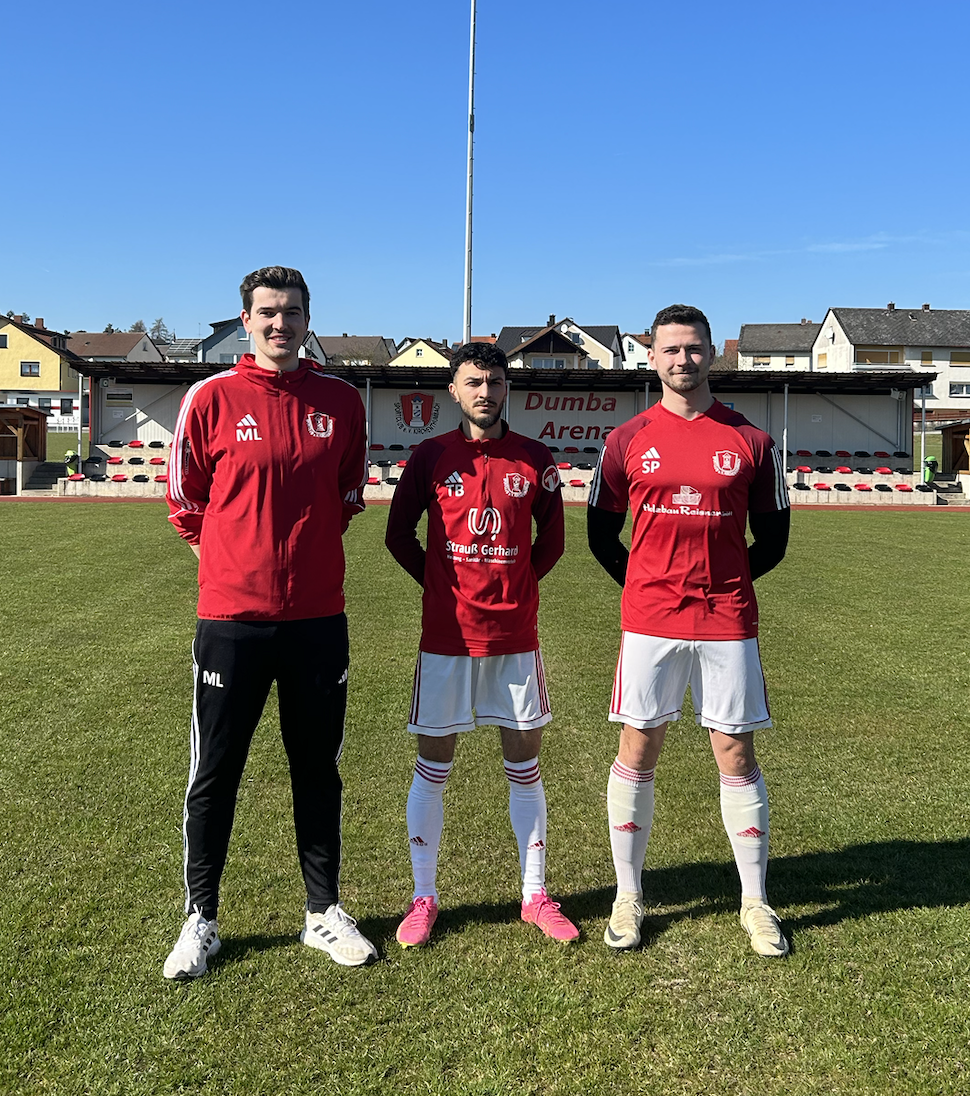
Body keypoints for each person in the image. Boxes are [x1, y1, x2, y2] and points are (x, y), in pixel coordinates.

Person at [162, 266, 376, 978]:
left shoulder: (342, 402)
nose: (280, 323)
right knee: (214, 771)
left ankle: (322, 913)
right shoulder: (211, 398)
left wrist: (301, 560)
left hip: (318, 619)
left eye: (291, 311)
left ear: (308, 318)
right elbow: (184, 500)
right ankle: (201, 918)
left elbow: (349, 494)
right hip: (231, 620)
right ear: (245, 320)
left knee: (317, 771)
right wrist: (234, 560)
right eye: (267, 312)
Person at [587, 304, 790, 957]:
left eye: (694, 349)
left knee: (736, 753)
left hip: (727, 619)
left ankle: (756, 903)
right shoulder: (625, 440)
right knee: (637, 749)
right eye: (671, 350)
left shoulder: (752, 441)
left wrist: (723, 582)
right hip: (650, 620)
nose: (683, 360)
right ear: (652, 357)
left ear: (711, 354)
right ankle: (627, 894)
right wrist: (648, 583)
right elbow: (600, 533)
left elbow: (775, 540)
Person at [385, 342, 579, 947]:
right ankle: (422, 897)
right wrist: (443, 588)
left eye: (494, 381)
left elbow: (553, 541)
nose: (485, 392)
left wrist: (514, 586)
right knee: (433, 767)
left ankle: (535, 894)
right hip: (447, 640)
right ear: (454, 390)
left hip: (515, 640)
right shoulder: (430, 456)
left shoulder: (534, 458)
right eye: (473, 382)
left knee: (524, 767)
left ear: (506, 388)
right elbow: (398, 536)